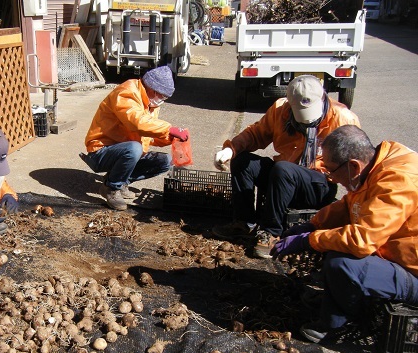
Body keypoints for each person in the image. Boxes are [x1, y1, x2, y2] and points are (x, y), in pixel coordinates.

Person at [271, 125, 418, 343]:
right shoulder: (375, 165)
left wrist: (310, 240)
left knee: (342, 262)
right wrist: (313, 225)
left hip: (411, 272)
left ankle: (339, 325)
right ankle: (341, 301)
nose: (331, 178)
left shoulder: (398, 181)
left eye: (331, 170)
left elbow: (362, 240)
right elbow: (350, 204)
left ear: (353, 166)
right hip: (392, 254)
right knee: (333, 245)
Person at [212, 75, 360, 258]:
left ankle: (271, 232)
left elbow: (353, 164)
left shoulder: (343, 118)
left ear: (322, 99)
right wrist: (231, 149)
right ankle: (244, 222)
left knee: (283, 169)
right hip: (282, 175)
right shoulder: (281, 110)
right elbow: (257, 133)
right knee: (244, 162)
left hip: (317, 183)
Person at [80, 65, 188, 211]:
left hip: (124, 149)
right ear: (152, 88)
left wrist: (171, 137)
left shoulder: (150, 104)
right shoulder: (127, 92)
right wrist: (169, 128)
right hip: (100, 151)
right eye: (162, 95)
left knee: (165, 161)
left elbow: (147, 135)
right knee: (134, 149)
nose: (163, 100)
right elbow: (136, 122)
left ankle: (120, 181)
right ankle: (111, 188)